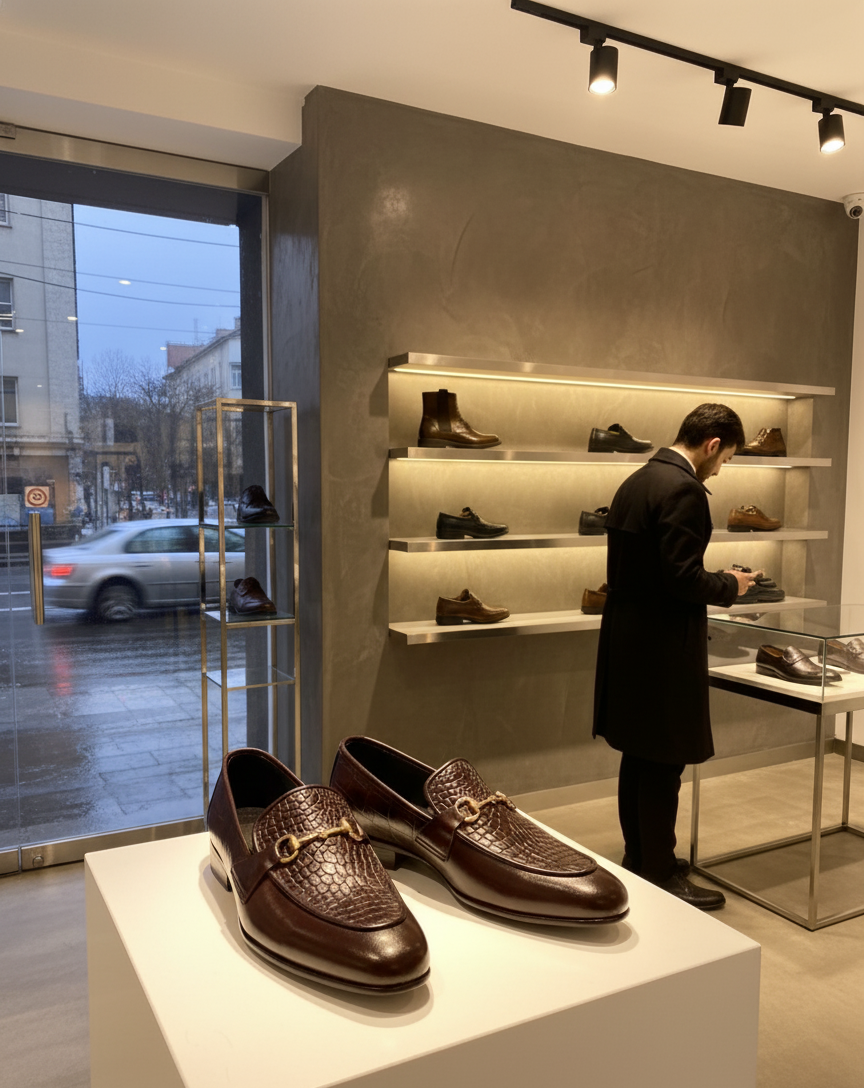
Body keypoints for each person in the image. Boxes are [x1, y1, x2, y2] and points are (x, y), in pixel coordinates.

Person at [592, 403, 753, 909]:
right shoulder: (683, 488)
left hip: (628, 638)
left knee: (638, 755)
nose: (721, 468)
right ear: (712, 445)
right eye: (725, 457)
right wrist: (732, 583)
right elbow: (682, 578)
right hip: (662, 645)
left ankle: (641, 857)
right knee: (663, 761)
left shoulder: (637, 480)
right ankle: (660, 872)